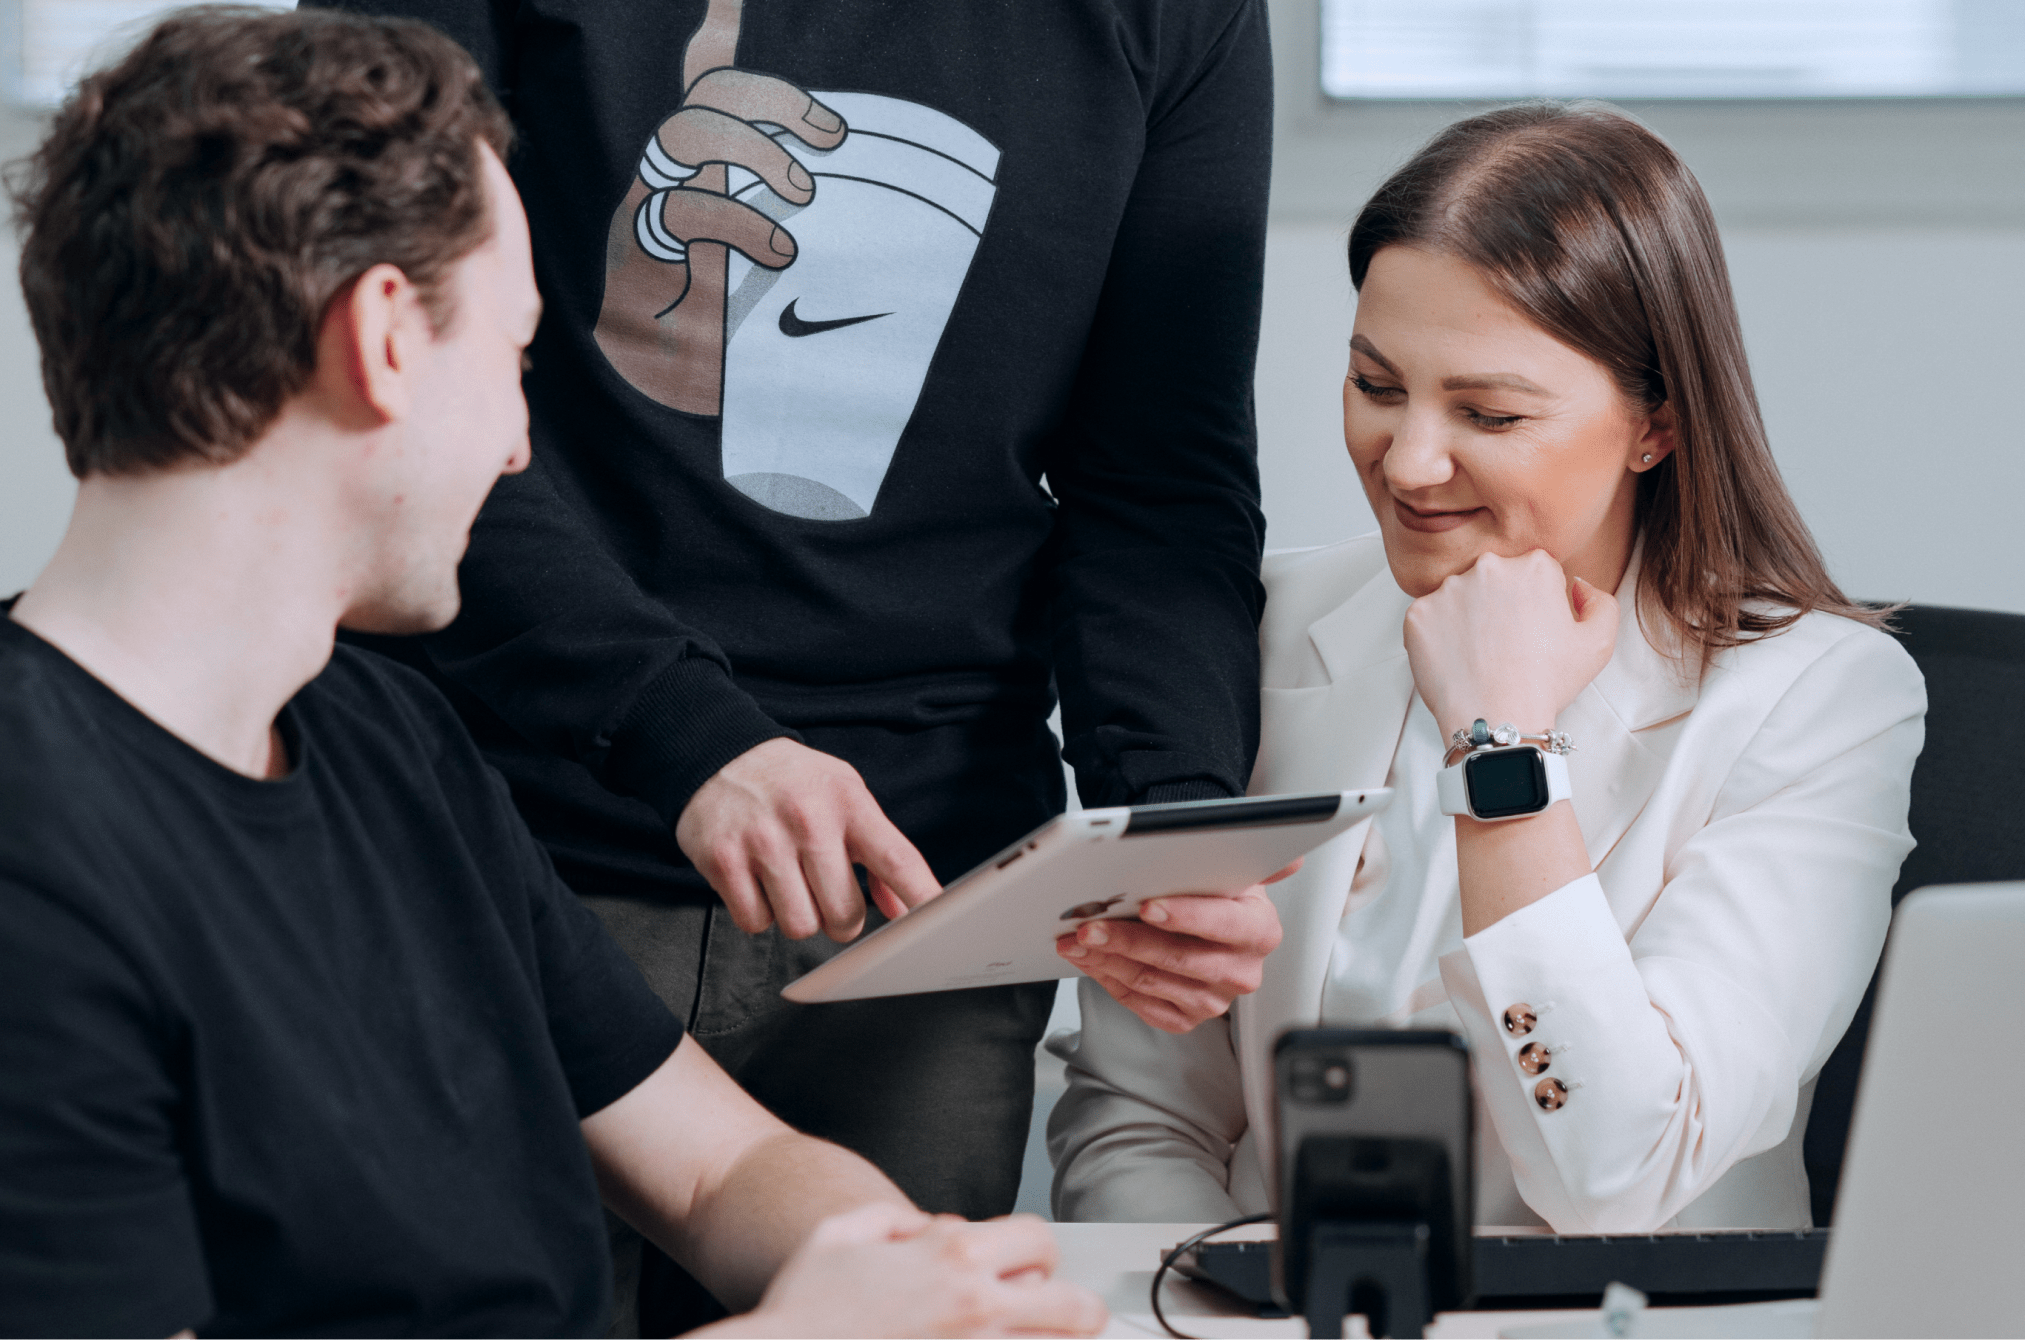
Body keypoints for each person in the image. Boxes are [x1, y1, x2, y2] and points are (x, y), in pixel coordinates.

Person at [0, 11, 1104, 1338]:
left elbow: (717, 1165)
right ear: (386, 341)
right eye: (516, 363)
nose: (523, 449)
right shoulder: (37, 866)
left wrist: (913, 1270)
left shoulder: (392, 744)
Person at [301, 0, 1285, 1321]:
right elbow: (389, 371)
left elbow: (1161, 472)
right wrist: (686, 731)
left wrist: (1170, 819)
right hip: (508, 849)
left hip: (924, 908)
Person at [1048, 101, 1927, 1233]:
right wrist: (1229, 1308)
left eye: (1490, 412)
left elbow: (1618, 1170)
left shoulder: (1821, 698)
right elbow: (1139, 1113)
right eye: (1376, 386)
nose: (1409, 461)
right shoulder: (1258, 628)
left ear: (1655, 424)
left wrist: (1501, 742)